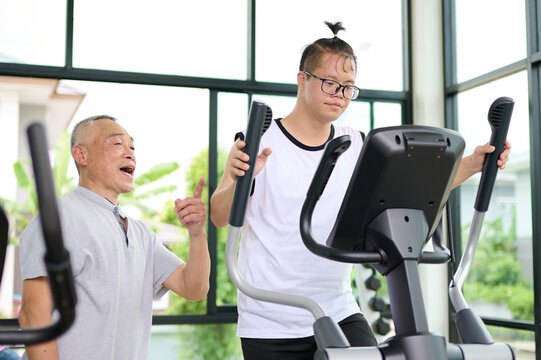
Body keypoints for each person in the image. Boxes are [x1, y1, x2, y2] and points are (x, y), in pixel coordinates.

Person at [210, 22, 511, 360]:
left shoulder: (355, 143)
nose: (339, 95)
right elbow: (220, 216)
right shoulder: (259, 141)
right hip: (271, 320)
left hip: (338, 310)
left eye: (347, 87)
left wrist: (473, 163)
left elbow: (409, 191)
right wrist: (238, 178)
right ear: (302, 79)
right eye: (329, 84)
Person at [18, 115, 210, 360]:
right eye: (117, 144)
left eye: (132, 147)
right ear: (81, 155)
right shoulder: (58, 218)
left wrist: (196, 233)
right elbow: (34, 316)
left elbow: (193, 288)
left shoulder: (141, 233)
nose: (130, 153)